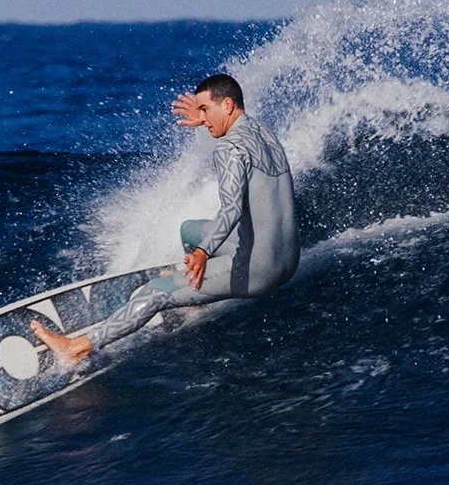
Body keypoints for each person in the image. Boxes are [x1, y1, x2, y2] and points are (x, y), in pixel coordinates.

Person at [32, 73, 299, 364]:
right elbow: (239, 148)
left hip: (259, 271)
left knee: (153, 292)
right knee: (189, 230)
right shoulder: (262, 131)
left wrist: (202, 253)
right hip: (288, 258)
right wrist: (208, 122)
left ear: (228, 105)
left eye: (206, 110)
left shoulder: (228, 149)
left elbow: (231, 210)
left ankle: (77, 348)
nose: (202, 117)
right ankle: (194, 301)